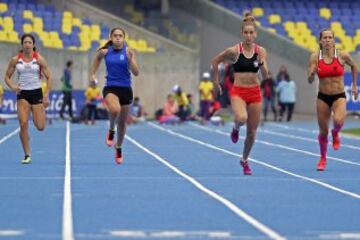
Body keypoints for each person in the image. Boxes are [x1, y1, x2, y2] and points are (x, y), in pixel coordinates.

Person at [211, 11, 269, 175]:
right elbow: (215, 61)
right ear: (242, 34)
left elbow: (265, 76)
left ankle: (244, 160)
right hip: (238, 92)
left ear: (256, 34)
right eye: (246, 32)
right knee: (241, 118)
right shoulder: (234, 51)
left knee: (251, 133)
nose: (249, 35)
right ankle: (236, 128)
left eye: (251, 33)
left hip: (255, 93)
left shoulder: (261, 51)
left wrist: (262, 63)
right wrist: (216, 83)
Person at [308, 28, 358, 171]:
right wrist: (311, 75)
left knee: (338, 121)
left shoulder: (342, 55)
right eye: (325, 38)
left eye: (330, 37)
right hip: (323, 97)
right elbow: (310, 79)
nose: (328, 40)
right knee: (323, 131)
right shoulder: (314, 57)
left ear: (334, 40)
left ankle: (336, 133)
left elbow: (354, 66)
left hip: (339, 95)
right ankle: (323, 158)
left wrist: (354, 85)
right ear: (320, 41)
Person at [90, 27, 139, 164]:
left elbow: (136, 72)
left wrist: (131, 60)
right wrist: (92, 74)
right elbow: (97, 59)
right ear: (111, 37)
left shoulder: (128, 52)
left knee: (122, 123)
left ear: (124, 38)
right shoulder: (105, 51)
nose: (118, 37)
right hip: (111, 87)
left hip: (126, 89)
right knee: (114, 110)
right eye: (115, 35)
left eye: (120, 36)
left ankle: (118, 147)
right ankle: (111, 129)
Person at [4, 33, 52, 164]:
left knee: (40, 126)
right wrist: (13, 87)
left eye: (30, 42)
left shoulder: (39, 59)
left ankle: (42, 110)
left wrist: (46, 94)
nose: (27, 45)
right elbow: (6, 77)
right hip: (22, 94)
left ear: (33, 45)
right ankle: (27, 154)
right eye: (25, 42)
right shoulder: (15, 60)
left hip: (36, 93)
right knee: (23, 124)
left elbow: (50, 77)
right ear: (22, 45)